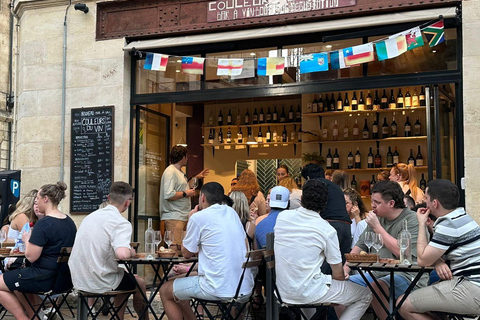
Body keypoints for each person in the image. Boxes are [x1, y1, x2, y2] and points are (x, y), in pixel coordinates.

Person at [274, 179, 372, 320]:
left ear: (301, 199)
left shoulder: (282, 217)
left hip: (283, 291)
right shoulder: (326, 229)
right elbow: (338, 272)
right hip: (310, 292)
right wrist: (338, 277)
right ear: (325, 203)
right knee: (365, 295)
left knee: (308, 297)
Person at [159, 182, 254, 320]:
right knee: (178, 286)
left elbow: (186, 253)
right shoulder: (232, 213)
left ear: (202, 197)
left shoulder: (198, 217)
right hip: (243, 288)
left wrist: (190, 218)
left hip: (217, 288)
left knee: (165, 290)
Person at [344, 181, 428, 320]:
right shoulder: (377, 219)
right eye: (372, 201)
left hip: (409, 276)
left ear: (391, 203)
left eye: (377, 202)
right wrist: (344, 271)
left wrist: (377, 228)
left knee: (377, 287)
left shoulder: (411, 220)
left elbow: (402, 252)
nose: (372, 206)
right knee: (343, 287)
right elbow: (358, 248)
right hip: (377, 274)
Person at [398, 179, 480, 319]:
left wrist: (421, 225)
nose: (424, 201)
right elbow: (439, 251)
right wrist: (438, 262)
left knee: (403, 304)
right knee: (428, 309)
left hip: (471, 288)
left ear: (434, 203)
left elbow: (423, 260)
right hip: (470, 285)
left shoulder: (448, 224)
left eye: (426, 198)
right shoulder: (462, 218)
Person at [69, 182, 148, 320]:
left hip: (78, 278)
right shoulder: (121, 222)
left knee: (125, 278)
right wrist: (131, 251)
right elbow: (122, 255)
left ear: (108, 197)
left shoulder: (90, 217)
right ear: (127, 203)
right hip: (100, 280)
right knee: (138, 283)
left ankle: (118, 317)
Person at [0, 182, 76, 320]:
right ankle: (34, 315)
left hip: (43, 278)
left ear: (45, 199)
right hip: (65, 279)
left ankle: (23, 318)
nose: (36, 203)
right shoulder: (69, 222)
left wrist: (27, 239)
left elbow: (31, 257)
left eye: (37, 200)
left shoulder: (44, 223)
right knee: (16, 278)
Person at [301, 163, 351, 272]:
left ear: (308, 178)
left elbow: (310, 210)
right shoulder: (335, 186)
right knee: (340, 267)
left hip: (331, 226)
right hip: (346, 226)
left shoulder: (314, 186)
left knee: (325, 268)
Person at [159, 146, 209, 246]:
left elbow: (183, 187)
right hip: (174, 216)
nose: (188, 158)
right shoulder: (170, 171)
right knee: (175, 246)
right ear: (183, 157)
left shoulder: (180, 172)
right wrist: (186, 193)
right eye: (187, 156)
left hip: (182, 215)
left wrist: (196, 178)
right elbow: (168, 194)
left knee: (183, 247)